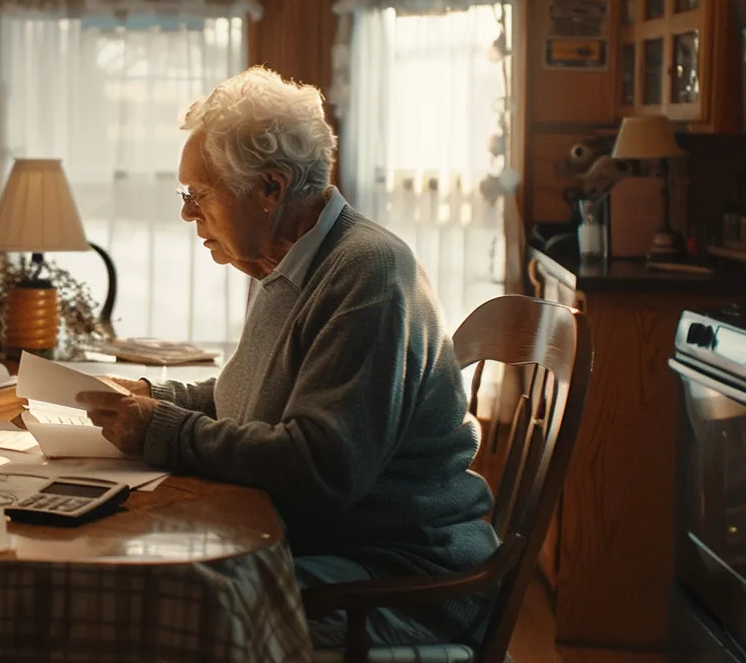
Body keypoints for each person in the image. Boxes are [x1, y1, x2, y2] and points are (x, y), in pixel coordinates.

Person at [78, 67, 498, 648]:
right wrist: (155, 399)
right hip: (329, 549)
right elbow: (251, 399)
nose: (185, 216)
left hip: (398, 580)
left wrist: (164, 430)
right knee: (141, 577)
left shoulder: (366, 271)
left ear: (271, 189)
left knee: (161, 603)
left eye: (198, 196)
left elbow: (321, 467)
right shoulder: (284, 265)